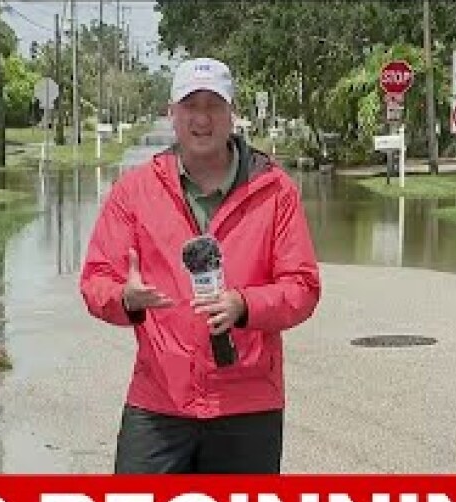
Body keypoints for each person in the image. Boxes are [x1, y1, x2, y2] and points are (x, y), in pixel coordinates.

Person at [79, 57, 321, 474]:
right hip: (160, 401)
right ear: (172, 113)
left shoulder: (275, 190)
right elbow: (96, 281)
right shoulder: (135, 191)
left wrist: (244, 305)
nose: (202, 119)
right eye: (191, 106)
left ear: (232, 113)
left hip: (247, 404)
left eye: (214, 106)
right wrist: (125, 298)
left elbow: (302, 287)